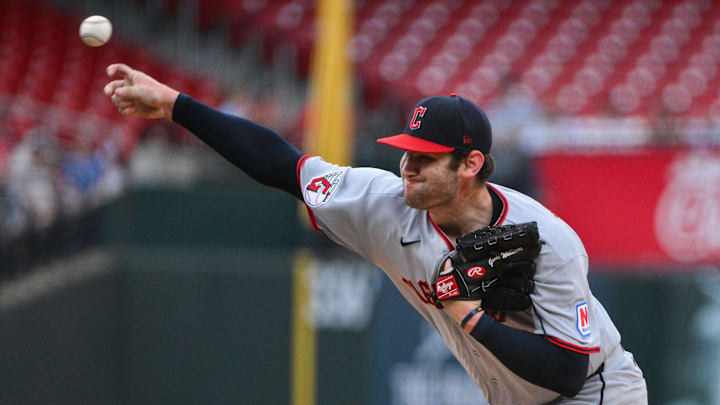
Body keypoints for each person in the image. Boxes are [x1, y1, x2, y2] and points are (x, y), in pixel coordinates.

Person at [104, 63, 647, 404]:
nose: (407, 166)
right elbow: (280, 164)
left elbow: (571, 371)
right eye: (405, 152)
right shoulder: (383, 204)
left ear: (470, 163)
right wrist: (177, 106)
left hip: (599, 393)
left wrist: (470, 318)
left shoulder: (545, 238)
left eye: (425, 158)